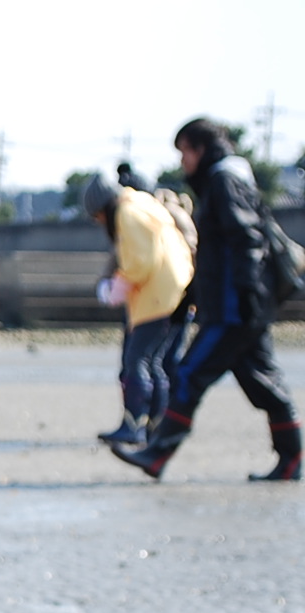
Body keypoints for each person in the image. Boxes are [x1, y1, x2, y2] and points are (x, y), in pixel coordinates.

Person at [113, 118, 301, 481]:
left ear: (199, 149)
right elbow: (219, 252)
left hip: (234, 309)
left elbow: (245, 239)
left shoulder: (223, 180)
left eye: (183, 151)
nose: (182, 161)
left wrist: (244, 294)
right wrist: (192, 299)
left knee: (188, 374)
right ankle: (291, 461)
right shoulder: (233, 178)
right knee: (266, 383)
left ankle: (157, 454)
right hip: (246, 306)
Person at [79, 173, 194, 445]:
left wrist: (115, 288)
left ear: (102, 208)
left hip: (156, 294)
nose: (99, 222)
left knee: (136, 360)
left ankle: (134, 425)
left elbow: (140, 262)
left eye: (97, 216)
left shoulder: (126, 212)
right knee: (154, 362)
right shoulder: (143, 202)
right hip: (176, 289)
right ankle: (156, 426)